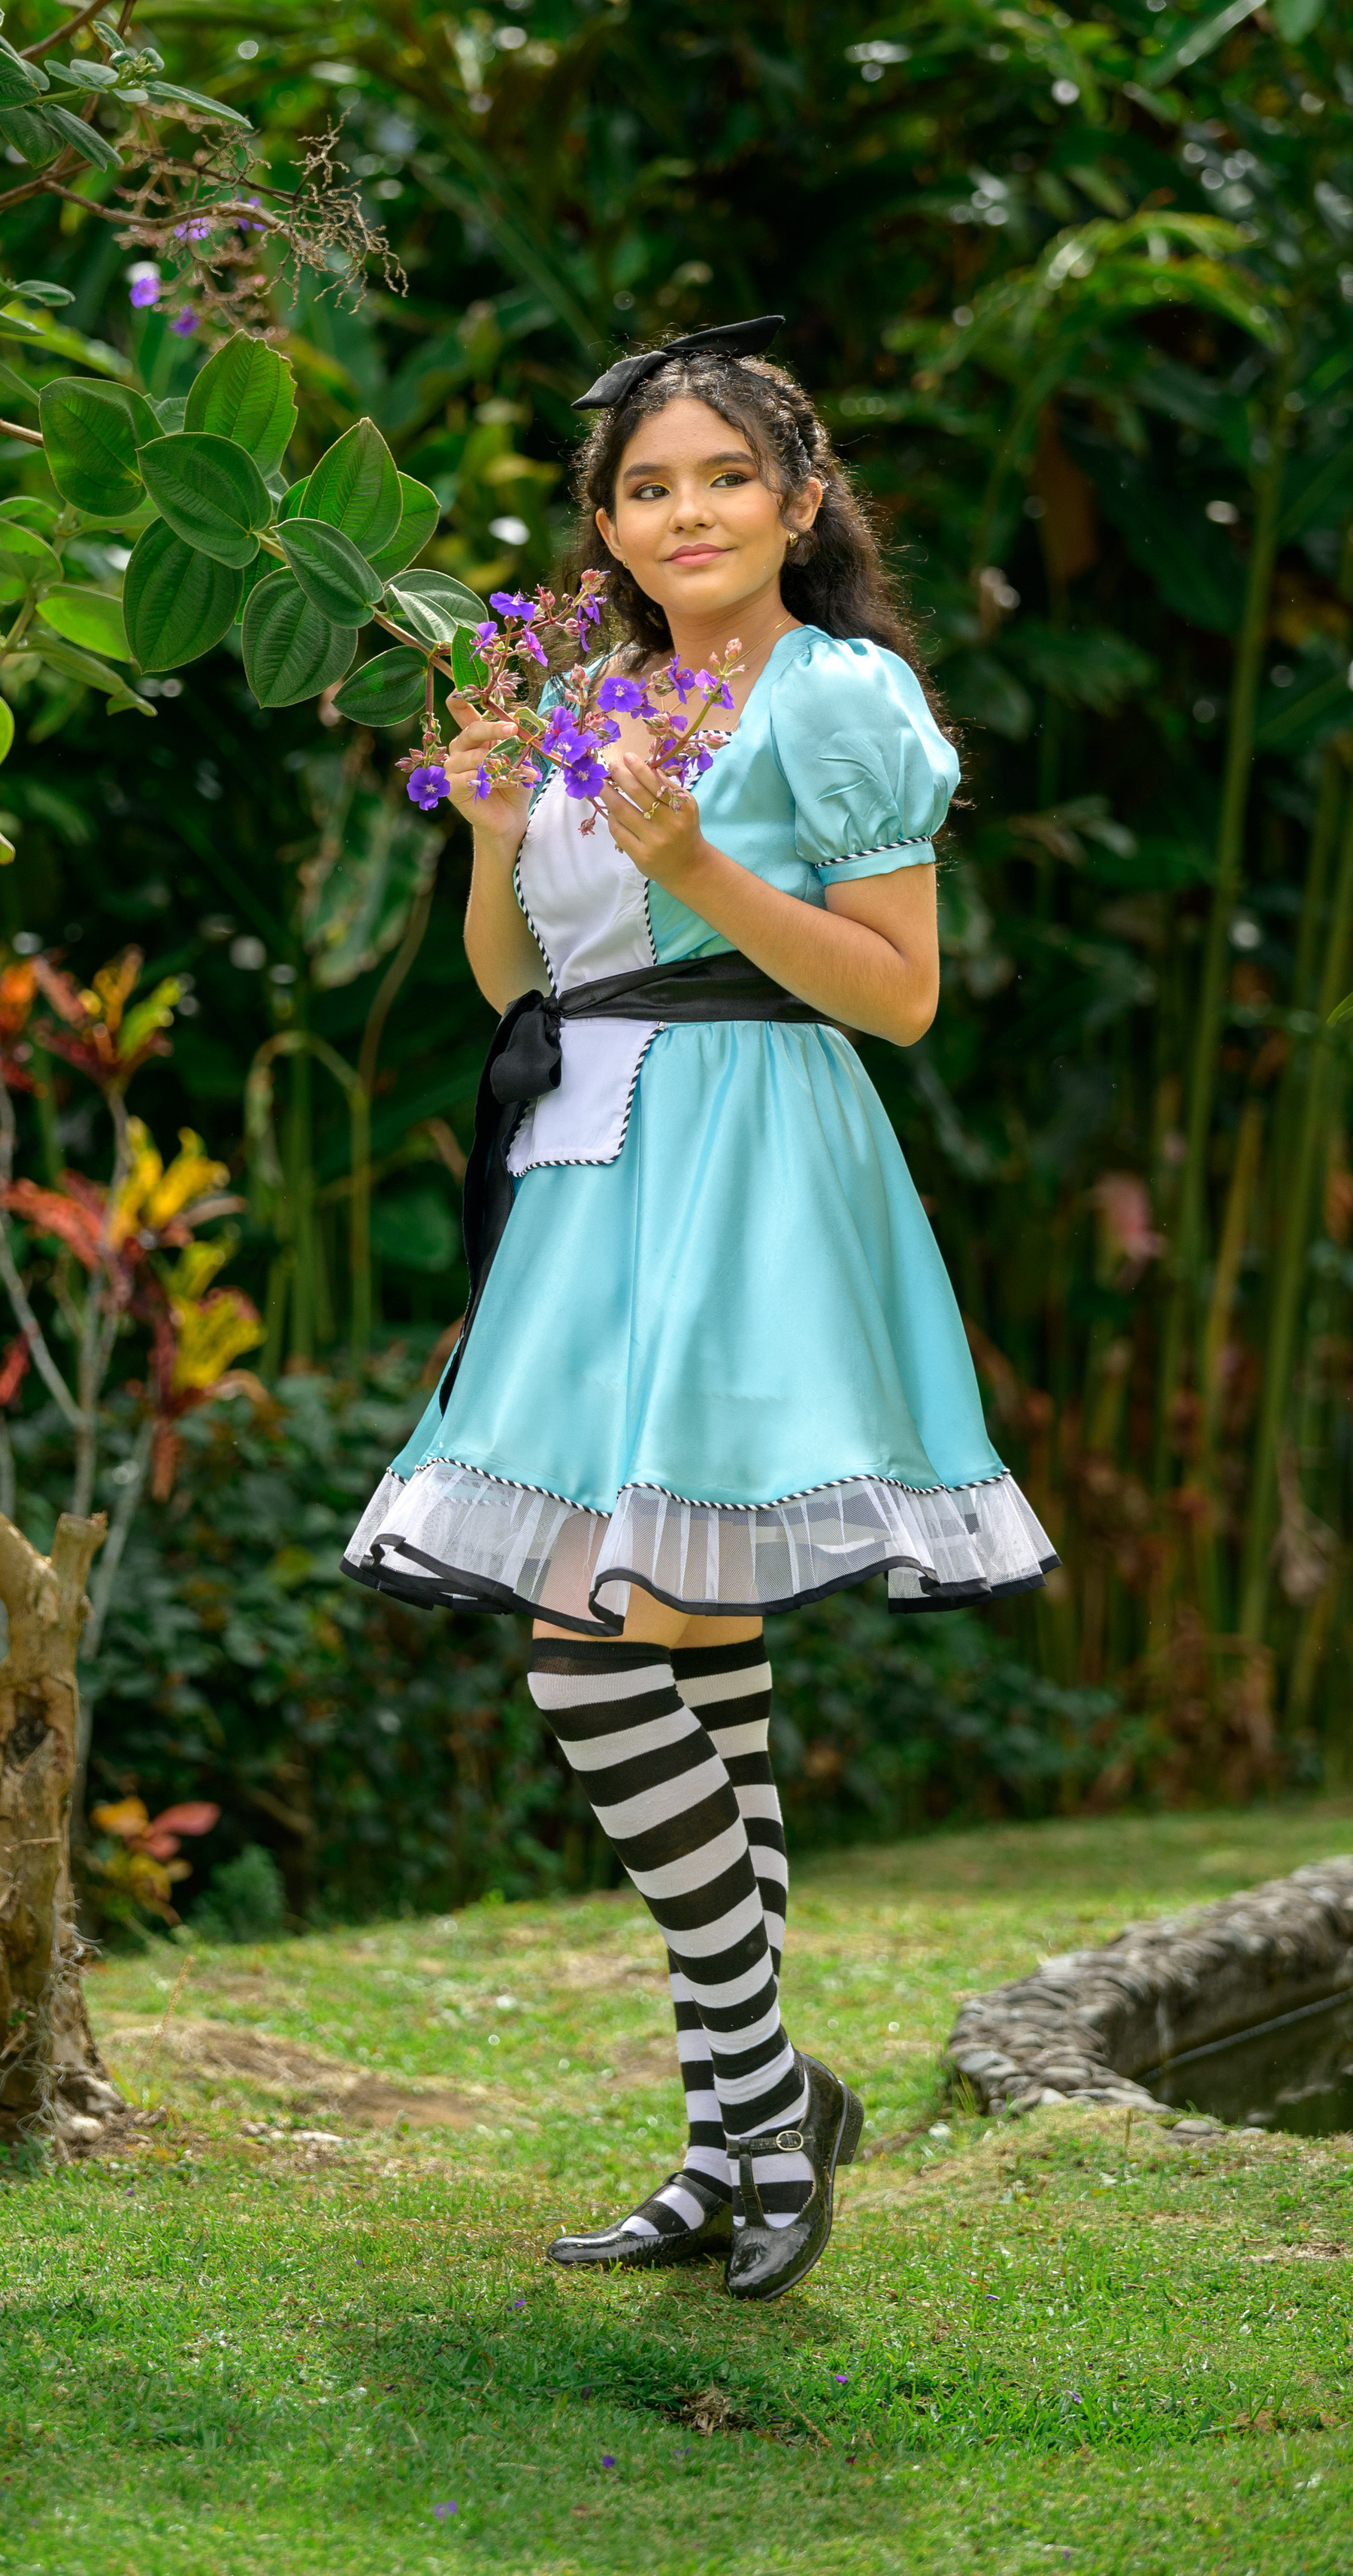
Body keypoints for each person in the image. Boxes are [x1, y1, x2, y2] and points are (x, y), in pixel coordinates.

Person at [344, 322, 1055, 2302]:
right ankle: (736, 2141)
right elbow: (525, 983)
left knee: (590, 1658)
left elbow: (899, 995)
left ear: (800, 500)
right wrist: (502, 834)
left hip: (751, 1174)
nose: (686, 513)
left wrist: (699, 866)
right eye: (645, 487)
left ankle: (767, 2100)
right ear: (607, 525)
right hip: (593, 1175)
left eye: (724, 477)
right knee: (700, 1666)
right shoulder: (594, 698)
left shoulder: (839, 698)